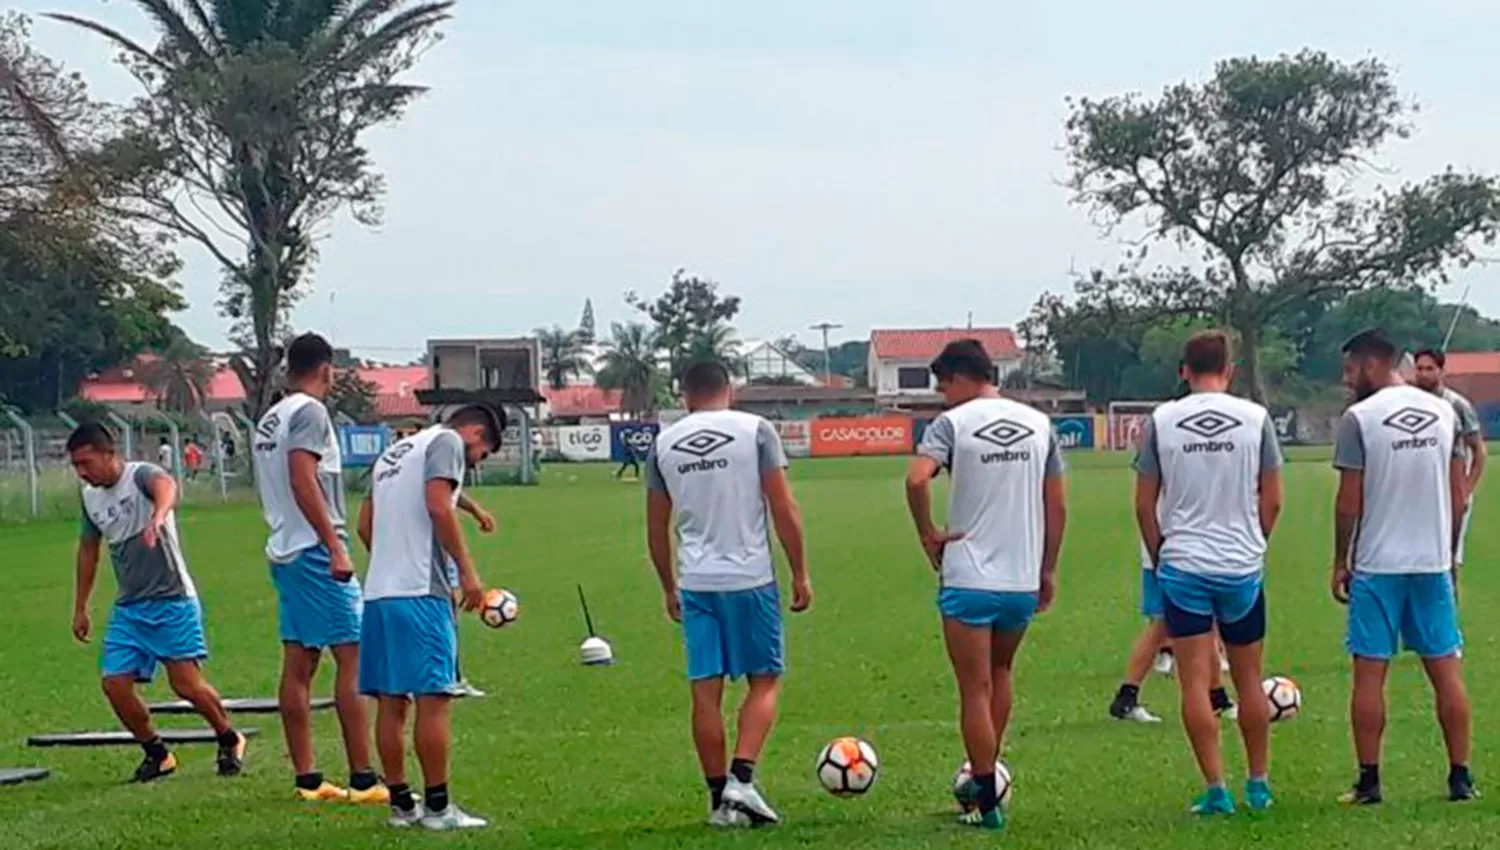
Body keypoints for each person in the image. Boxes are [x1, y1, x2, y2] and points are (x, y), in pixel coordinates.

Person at [906, 339, 1067, 831]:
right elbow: (1057, 505)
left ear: (960, 377)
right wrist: (1047, 568)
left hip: (970, 575)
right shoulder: (1040, 425)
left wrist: (928, 534)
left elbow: (916, 480)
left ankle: (987, 804)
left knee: (972, 689)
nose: (941, 396)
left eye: (942, 385)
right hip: (1020, 578)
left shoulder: (952, 424)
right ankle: (986, 774)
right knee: (1001, 674)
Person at [645, 360, 811, 828]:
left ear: (684, 395)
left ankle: (720, 801)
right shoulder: (755, 431)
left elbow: (656, 528)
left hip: (697, 581)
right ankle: (742, 777)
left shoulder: (663, 444)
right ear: (730, 389)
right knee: (765, 680)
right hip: (750, 578)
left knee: (705, 692)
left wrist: (667, 585)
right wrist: (800, 571)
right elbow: (784, 506)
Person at [1134, 330, 1282, 816]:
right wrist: (1254, 542)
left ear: (1183, 370)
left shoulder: (1162, 420)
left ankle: (1216, 788)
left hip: (1185, 564)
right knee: (1249, 677)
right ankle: (1258, 784)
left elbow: (1143, 503)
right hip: (1240, 565)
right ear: (1231, 370)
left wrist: (1162, 556)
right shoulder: (1256, 418)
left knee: (1195, 683)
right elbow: (1273, 497)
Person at [1332, 330, 1475, 804]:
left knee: (1370, 675)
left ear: (1373, 365)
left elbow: (1349, 500)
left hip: (1378, 565)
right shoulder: (1444, 412)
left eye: (1351, 370)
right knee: (1446, 671)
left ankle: (1369, 781)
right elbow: (1458, 495)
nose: (1347, 380)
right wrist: (1449, 555)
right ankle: (1460, 777)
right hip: (1431, 562)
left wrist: (1340, 559)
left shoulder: (1359, 419)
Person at [66, 423, 247, 782]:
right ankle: (157, 753)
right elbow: (89, 551)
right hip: (130, 607)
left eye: (87, 462)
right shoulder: (89, 498)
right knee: (114, 683)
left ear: (109, 453)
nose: (83, 472)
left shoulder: (140, 476)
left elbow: (167, 487)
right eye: (76, 466)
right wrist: (80, 606)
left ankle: (229, 737)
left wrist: (158, 516)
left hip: (172, 599)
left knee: (185, 684)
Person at [252, 332, 384, 804]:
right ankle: (364, 778)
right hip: (312, 548)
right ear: (327, 369)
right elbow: (301, 475)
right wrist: (334, 545)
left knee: (300, 659)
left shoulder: (270, 417)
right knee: (354, 655)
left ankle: (308, 779)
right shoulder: (310, 411)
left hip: (284, 547)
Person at [358, 405, 503, 830]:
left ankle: (401, 806)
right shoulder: (448, 442)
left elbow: (366, 525)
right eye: (485, 452)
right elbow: (439, 505)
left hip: (380, 593)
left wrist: (391, 561)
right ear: (475, 431)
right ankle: (439, 809)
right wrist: (468, 574)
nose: (477, 462)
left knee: (390, 700)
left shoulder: (395, 452)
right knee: (434, 698)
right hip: (421, 591)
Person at [1108, 534, 1238, 724]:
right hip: (1174, 555)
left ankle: (1217, 698)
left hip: (1182, 553)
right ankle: (1127, 696)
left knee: (1198, 621)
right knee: (1164, 624)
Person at [1412, 349, 1487, 588]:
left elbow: (1479, 450)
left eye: (1429, 369)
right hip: (1422, 493)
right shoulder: (1411, 403)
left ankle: (1449, 616)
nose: (1423, 374)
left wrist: (1466, 489)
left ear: (1441, 371)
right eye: (1419, 368)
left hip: (1451, 493)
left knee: (1449, 560)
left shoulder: (1457, 405)